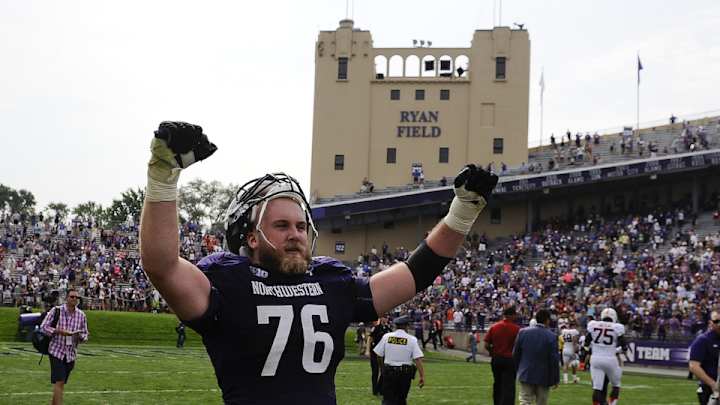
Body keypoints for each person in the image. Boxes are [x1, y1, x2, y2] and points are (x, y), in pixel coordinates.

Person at [139, 121, 499, 404]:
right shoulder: (229, 280)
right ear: (250, 238)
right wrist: (163, 176)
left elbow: (413, 274)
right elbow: (162, 265)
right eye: (281, 226)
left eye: (300, 225)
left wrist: (461, 213)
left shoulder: (330, 281)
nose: (295, 233)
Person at [40, 289, 89, 405]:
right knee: (60, 381)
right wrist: (59, 331)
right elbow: (43, 327)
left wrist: (80, 337)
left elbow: (86, 334)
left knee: (60, 383)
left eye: (77, 297)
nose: (74, 299)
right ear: (66, 298)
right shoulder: (56, 310)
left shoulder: (81, 315)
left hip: (71, 354)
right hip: (56, 350)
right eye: (72, 297)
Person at [373, 315, 425, 405]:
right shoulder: (412, 340)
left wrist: (382, 368)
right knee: (401, 400)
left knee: (388, 399)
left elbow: (379, 355)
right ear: (406, 326)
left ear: (396, 326)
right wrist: (422, 376)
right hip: (404, 374)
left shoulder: (387, 337)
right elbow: (417, 359)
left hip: (389, 372)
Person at [512, 308, 560, 405]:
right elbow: (554, 360)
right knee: (541, 402)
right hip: (544, 375)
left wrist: (517, 370)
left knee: (525, 401)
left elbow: (515, 354)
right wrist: (555, 378)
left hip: (526, 373)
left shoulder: (523, 332)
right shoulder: (552, 336)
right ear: (547, 320)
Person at [583, 307, 627, 405]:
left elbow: (586, 343)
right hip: (610, 359)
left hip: (595, 359)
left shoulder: (593, 324)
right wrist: (617, 350)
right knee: (616, 385)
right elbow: (624, 346)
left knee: (597, 388)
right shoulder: (617, 327)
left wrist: (593, 348)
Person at [484, 306, 521, 405]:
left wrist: (493, 352)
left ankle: (497, 402)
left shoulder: (494, 327)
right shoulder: (517, 329)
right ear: (512, 315)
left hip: (497, 358)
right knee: (509, 386)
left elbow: (486, 345)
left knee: (498, 383)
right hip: (510, 359)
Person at [689, 310, 720, 405]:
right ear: (710, 323)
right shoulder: (703, 340)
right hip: (709, 388)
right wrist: (714, 385)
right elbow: (693, 366)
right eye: (716, 321)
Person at [369, 317, 392, 396]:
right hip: (374, 352)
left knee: (384, 371)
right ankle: (375, 390)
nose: (385, 319)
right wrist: (367, 351)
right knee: (375, 371)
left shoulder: (388, 329)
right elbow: (370, 338)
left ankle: (380, 389)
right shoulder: (376, 328)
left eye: (386, 318)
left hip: (384, 353)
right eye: (384, 317)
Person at [560, 319, 581, 384]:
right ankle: (574, 379)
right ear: (573, 326)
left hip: (565, 349)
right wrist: (574, 352)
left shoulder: (564, 331)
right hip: (571, 349)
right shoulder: (574, 331)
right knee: (574, 364)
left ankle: (565, 380)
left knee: (565, 365)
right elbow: (574, 342)